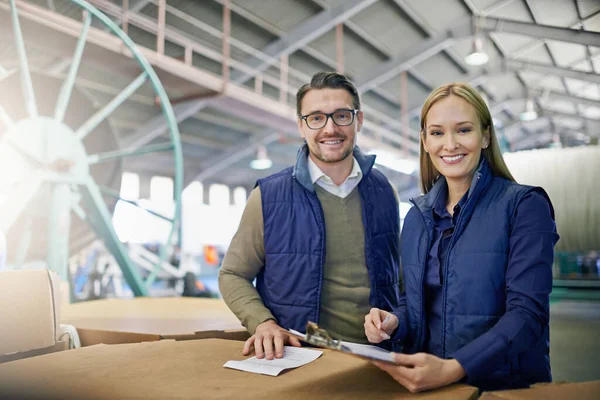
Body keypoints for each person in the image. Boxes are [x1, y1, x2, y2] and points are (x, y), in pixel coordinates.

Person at [364, 83, 559, 392]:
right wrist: (395, 321)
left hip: (501, 387)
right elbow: (413, 304)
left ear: (485, 136)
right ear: (425, 142)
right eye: (437, 133)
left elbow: (527, 315)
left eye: (463, 130)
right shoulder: (417, 217)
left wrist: (455, 368)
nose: (450, 144)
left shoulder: (524, 206)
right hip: (430, 385)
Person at [219, 71, 401, 361]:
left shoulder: (384, 191)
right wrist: (262, 323)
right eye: (316, 118)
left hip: (378, 356)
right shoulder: (268, 197)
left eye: (342, 115)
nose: (330, 128)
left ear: (359, 120)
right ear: (301, 127)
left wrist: (397, 319)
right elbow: (233, 274)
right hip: (300, 353)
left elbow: (399, 276)